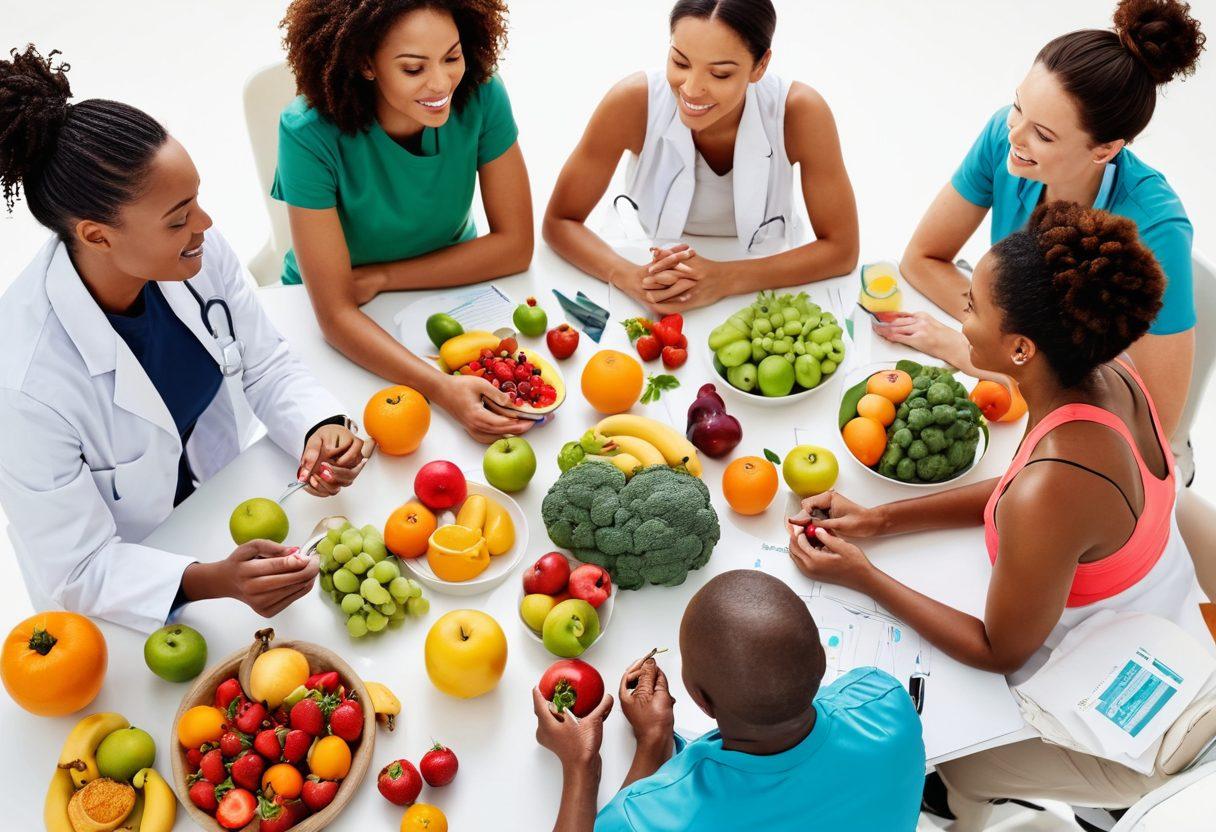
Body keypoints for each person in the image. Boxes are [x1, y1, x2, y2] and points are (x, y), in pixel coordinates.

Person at [788, 202, 1211, 829]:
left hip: (1151, 718)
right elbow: (1017, 489)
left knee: (949, 760)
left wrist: (862, 575)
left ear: (1019, 348)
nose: (960, 315)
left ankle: (969, 804)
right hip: (1173, 619)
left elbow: (998, 648)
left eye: (971, 307)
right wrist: (880, 521)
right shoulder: (1107, 372)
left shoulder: (1060, 481)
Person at [0, 46, 366, 633]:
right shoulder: (25, 383)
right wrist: (214, 581)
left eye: (196, 200)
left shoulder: (192, 254)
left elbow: (264, 362)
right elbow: (81, 567)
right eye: (178, 216)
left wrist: (319, 425)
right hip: (125, 592)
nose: (206, 225)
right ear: (97, 236)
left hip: (224, 504)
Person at [891, 0, 1204, 445]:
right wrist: (1010, 350)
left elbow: (1157, 423)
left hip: (1103, 428)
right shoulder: (1007, 137)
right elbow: (922, 259)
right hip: (1034, 399)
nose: (1014, 135)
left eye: (1044, 133)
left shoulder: (1157, 230)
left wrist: (975, 352)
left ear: (1104, 149)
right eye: (1018, 107)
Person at [275, 0, 535, 443]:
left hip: (447, 287)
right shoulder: (307, 133)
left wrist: (384, 276)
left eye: (452, 57)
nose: (441, 83)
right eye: (414, 69)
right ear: (365, 63)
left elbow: (516, 248)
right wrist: (442, 389)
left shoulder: (482, 95)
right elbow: (335, 313)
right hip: (345, 318)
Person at [532, 570, 924, 831]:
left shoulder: (645, 818)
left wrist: (583, 766)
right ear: (822, 660)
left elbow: (632, 817)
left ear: (700, 700)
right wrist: (656, 735)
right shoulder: (885, 701)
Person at [543, 0, 859, 315]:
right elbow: (559, 222)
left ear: (760, 66)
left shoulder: (801, 112)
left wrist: (724, 279)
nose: (692, 90)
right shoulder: (632, 101)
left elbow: (841, 250)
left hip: (763, 274)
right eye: (680, 62)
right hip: (647, 263)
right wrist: (631, 278)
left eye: (720, 74)